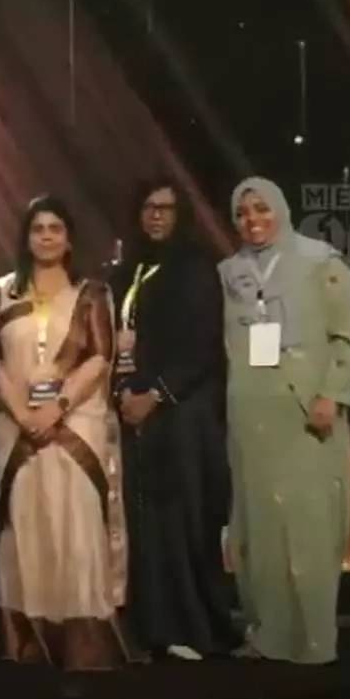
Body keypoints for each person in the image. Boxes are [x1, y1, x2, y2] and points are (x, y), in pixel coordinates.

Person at [0, 195, 134, 671]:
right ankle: (26, 644)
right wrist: (22, 413)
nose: (47, 236)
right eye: (38, 229)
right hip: (17, 429)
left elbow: (100, 356)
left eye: (56, 228)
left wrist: (59, 407)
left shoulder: (91, 294)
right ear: (26, 238)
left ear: (69, 240)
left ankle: (82, 647)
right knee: (24, 527)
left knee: (76, 527)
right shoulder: (2, 293)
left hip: (76, 427)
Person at [221, 176, 350, 664]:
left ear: (280, 209)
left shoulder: (320, 260)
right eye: (242, 213)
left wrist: (332, 394)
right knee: (258, 527)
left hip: (306, 411)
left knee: (308, 523)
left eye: (261, 209)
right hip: (250, 413)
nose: (252, 220)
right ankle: (268, 635)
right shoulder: (230, 272)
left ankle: (313, 641)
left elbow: (348, 334)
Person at [109, 178, 235, 661]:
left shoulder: (195, 268)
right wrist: (124, 392)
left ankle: (193, 625)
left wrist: (156, 395)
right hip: (134, 411)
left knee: (183, 521)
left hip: (183, 414)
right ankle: (152, 627)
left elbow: (203, 345)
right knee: (143, 521)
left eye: (165, 208)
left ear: (180, 215)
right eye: (148, 207)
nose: (156, 215)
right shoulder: (128, 271)